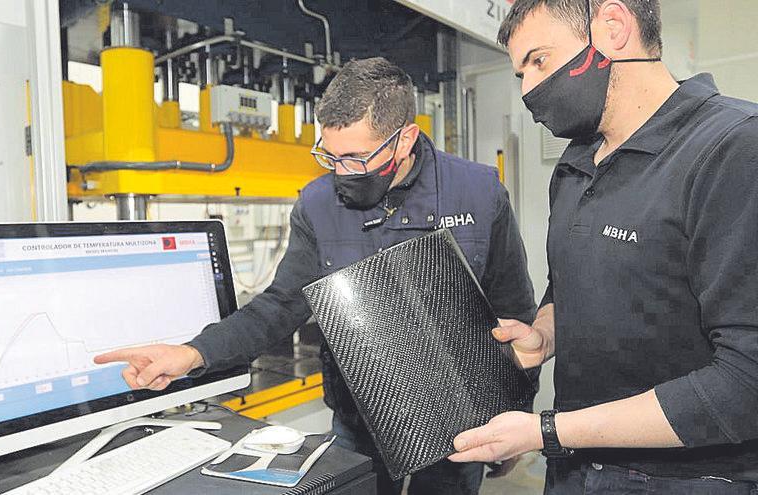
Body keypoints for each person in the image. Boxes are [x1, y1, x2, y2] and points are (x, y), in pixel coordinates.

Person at [94, 57, 537, 494]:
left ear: (405, 140)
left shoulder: (478, 193)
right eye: (330, 156)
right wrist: (192, 353)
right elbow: (279, 306)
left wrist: (518, 412)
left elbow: (515, 311)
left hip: (460, 419)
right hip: (357, 424)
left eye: (356, 158)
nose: (341, 172)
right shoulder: (317, 203)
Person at [448, 1, 758, 494]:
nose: (528, 89)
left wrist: (547, 431)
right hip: (574, 471)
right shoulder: (574, 166)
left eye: (540, 61)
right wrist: (545, 335)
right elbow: (569, 287)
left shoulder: (733, 149)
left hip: (693, 479)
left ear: (612, 28)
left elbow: (747, 382)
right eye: (520, 72)